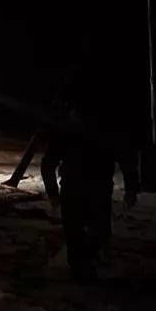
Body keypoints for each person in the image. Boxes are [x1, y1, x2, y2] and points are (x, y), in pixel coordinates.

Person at [40, 88, 139, 281]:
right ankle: (81, 272)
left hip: (97, 187)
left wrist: (131, 189)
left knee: (97, 232)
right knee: (76, 233)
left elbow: (126, 158)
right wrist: (53, 192)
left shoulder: (103, 131)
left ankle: (86, 265)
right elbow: (48, 162)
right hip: (75, 188)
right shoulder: (67, 133)